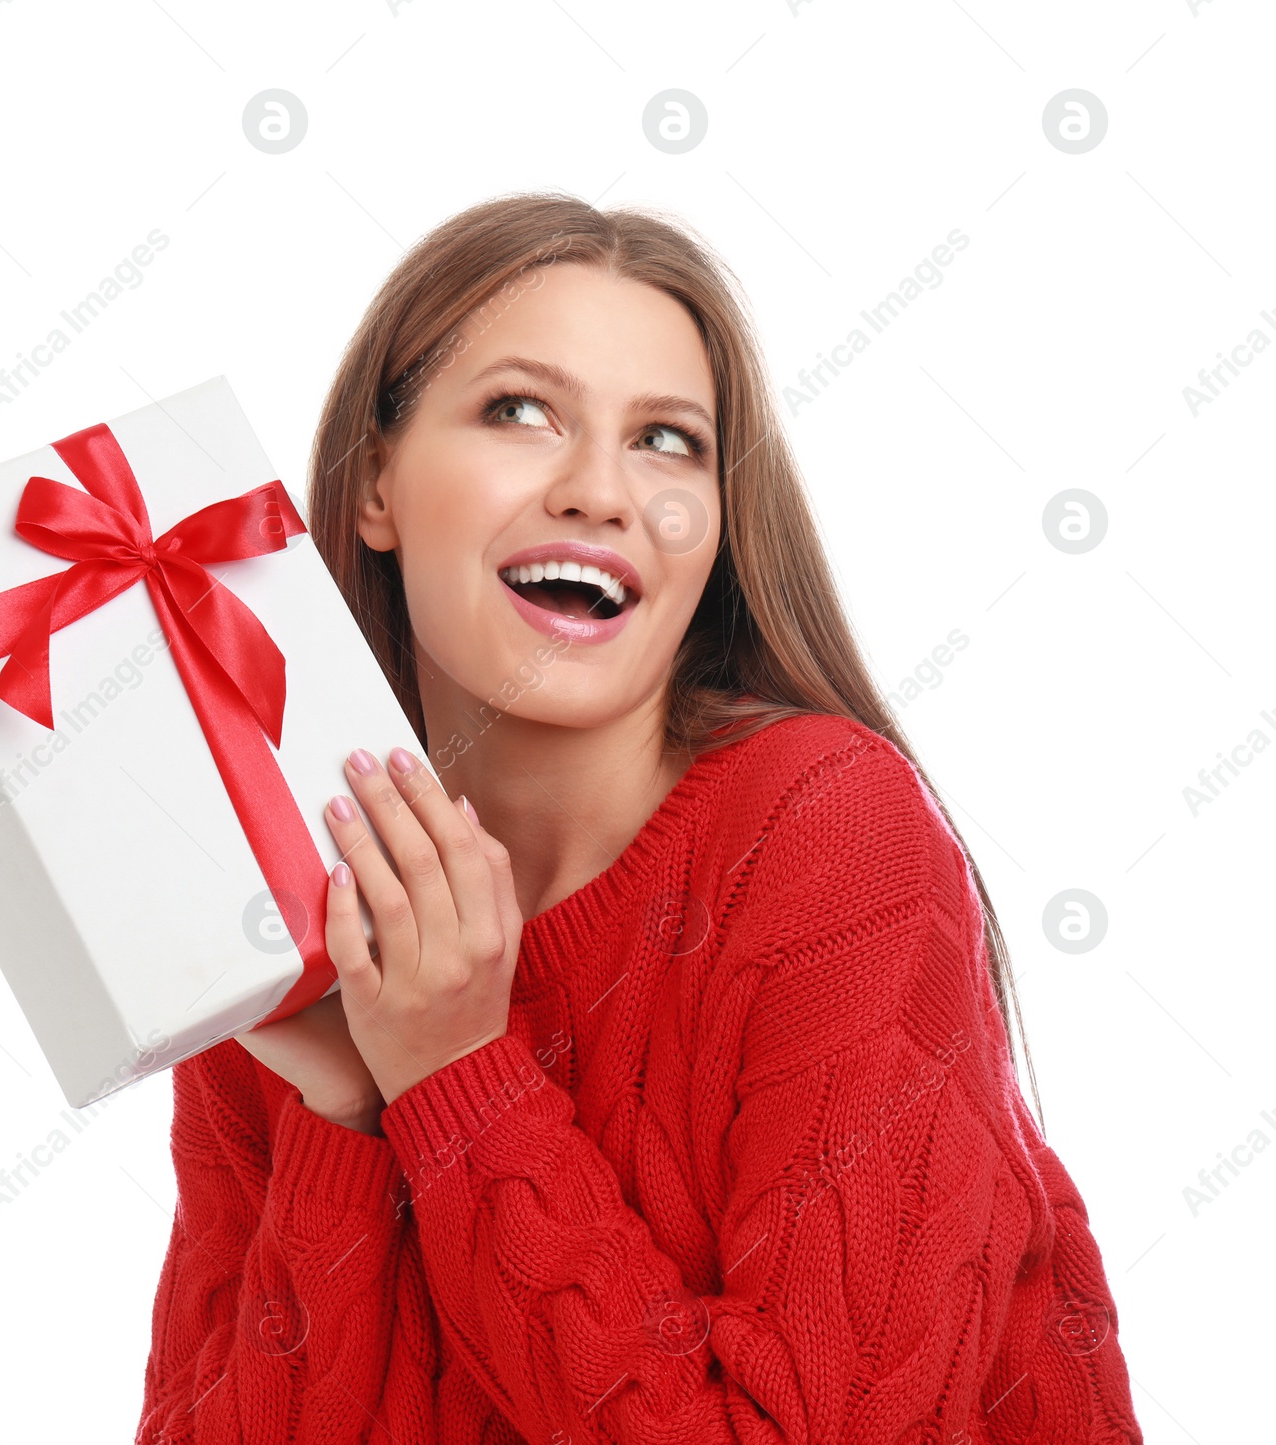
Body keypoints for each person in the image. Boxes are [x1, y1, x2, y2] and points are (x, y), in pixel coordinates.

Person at [134, 192, 1143, 1444]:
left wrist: (452, 1078)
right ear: (375, 484)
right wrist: (349, 1120)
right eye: (520, 410)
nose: (602, 492)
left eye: (667, 441)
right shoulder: (302, 895)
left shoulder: (828, 835)